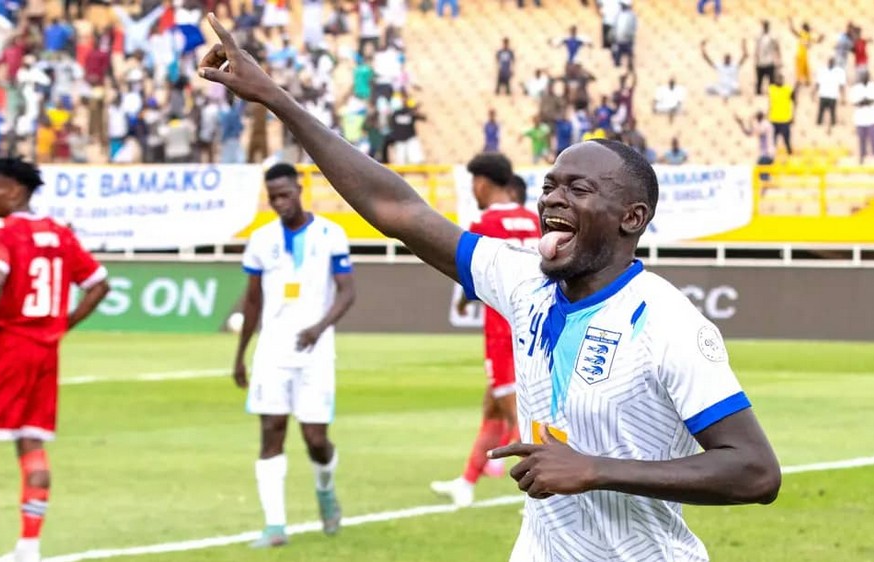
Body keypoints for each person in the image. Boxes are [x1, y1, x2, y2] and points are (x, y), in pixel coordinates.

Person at [199, 15, 782, 560]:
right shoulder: (523, 279)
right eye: (550, 186)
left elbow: (755, 471)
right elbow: (396, 208)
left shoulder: (666, 323)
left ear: (632, 217)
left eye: (578, 190)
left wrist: (595, 468)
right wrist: (277, 100)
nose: (552, 199)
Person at [0, 158, 110, 562]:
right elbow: (100, 284)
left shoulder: (2, 231)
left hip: (7, 345)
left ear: (14, 191)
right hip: (45, 352)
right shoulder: (59, 233)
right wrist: (62, 324)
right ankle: (29, 547)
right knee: (31, 443)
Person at [232, 163, 356, 548]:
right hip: (272, 353)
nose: (280, 203)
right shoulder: (261, 240)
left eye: (285, 195)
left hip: (315, 354)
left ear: (299, 189)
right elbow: (252, 301)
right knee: (271, 434)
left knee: (315, 439)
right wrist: (240, 355)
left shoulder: (331, 234)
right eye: (273, 198)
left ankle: (326, 489)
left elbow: (347, 291)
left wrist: (319, 328)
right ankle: (274, 527)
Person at [430, 153, 540, 507]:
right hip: (533, 324)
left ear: (481, 182)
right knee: (493, 409)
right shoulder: (531, 219)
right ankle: (467, 481)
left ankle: (549, 500)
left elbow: (471, 273)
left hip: (502, 331)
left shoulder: (483, 223)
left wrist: (463, 300)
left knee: (515, 415)